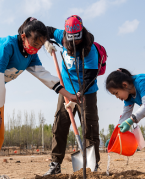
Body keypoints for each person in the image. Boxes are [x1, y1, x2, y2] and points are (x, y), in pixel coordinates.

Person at [0, 17, 77, 179]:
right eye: (34, 44)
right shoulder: (5, 46)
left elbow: (44, 76)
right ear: (23, 36)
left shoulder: (30, 55)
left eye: (39, 46)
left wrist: (69, 95)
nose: (36, 49)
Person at [43, 15, 100, 175]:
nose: (74, 42)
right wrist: (46, 42)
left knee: (89, 128)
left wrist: (80, 93)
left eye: (77, 38)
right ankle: (55, 164)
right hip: (66, 90)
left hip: (86, 92)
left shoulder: (90, 49)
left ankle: (93, 166)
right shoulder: (61, 36)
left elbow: (90, 76)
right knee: (60, 125)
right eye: (71, 38)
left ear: (82, 33)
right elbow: (44, 30)